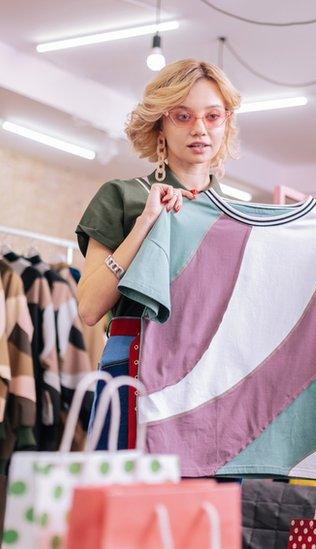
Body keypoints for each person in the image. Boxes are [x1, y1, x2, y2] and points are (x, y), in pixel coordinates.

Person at [74, 59, 241, 450]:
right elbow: (89, 308)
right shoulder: (123, 196)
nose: (200, 129)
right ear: (160, 124)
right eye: (183, 116)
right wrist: (146, 221)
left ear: (226, 123)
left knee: (208, 508)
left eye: (213, 116)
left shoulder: (236, 216)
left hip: (213, 380)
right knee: (132, 504)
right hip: (136, 368)